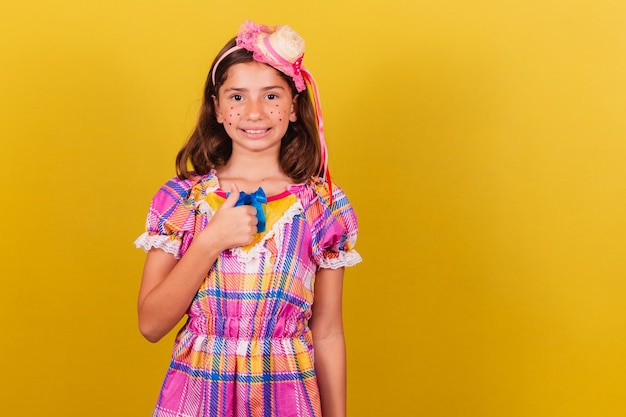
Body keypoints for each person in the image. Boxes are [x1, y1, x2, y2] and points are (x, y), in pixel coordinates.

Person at [134, 20, 361, 417]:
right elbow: (151, 325)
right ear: (218, 108)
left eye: (271, 96)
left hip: (287, 396)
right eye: (237, 96)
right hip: (200, 398)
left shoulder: (324, 205)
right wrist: (210, 241)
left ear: (293, 106)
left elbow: (326, 331)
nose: (254, 112)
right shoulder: (183, 199)